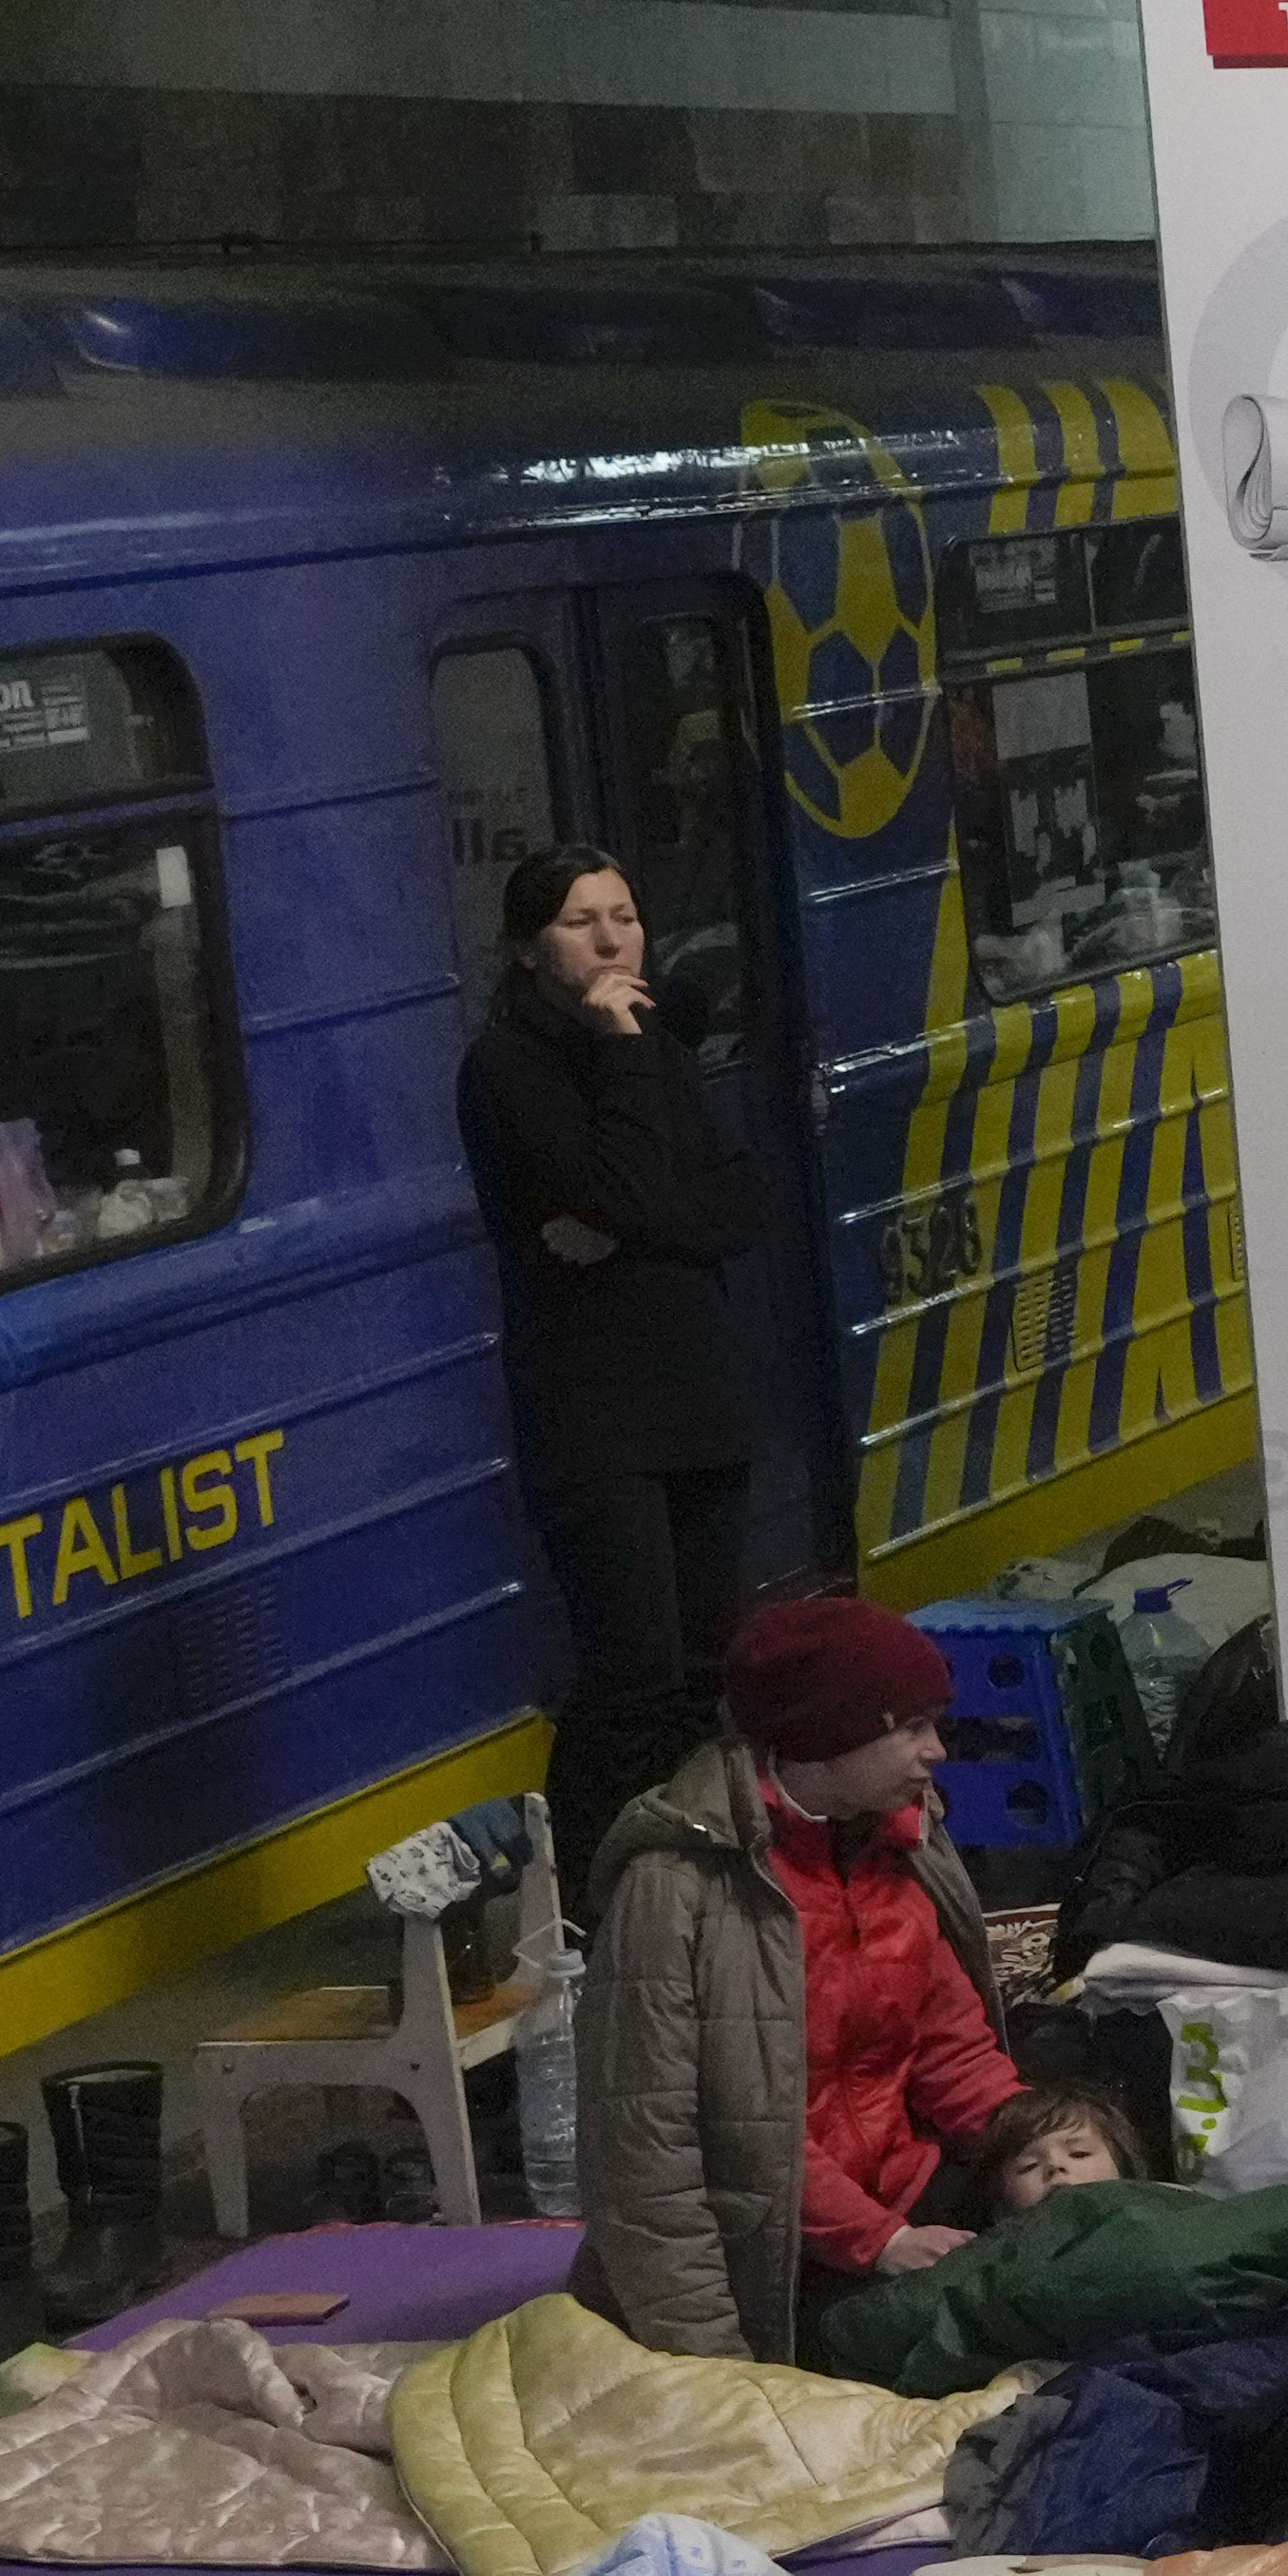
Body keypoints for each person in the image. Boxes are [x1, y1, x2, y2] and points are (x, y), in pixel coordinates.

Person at [577, 1592, 1023, 2367]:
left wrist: (1048, 2153)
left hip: (901, 2204)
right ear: (829, 1738)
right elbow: (653, 2164)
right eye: (911, 1728)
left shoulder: (901, 1842)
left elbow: (954, 2050)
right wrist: (718, 2374)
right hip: (776, 2258)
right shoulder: (674, 1893)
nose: (938, 1752)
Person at [452, 849, 755, 1869]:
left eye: (625, 914)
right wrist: (624, 1048)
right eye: (584, 921)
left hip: (695, 1385)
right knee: (633, 1672)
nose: (615, 938)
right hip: (593, 1409)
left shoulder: (656, 1046)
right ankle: (587, 1885)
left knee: (713, 1661)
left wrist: (623, 1222)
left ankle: (680, 1875)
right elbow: (636, 1191)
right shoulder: (505, 1068)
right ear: (531, 947)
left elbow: (726, 1208)